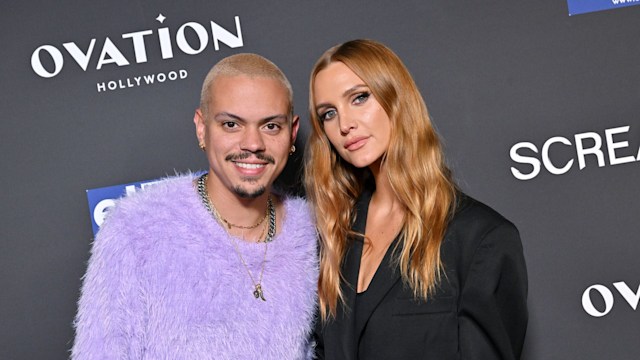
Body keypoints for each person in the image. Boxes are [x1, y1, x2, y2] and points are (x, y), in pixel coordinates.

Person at [71, 53, 318, 359]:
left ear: (292, 133)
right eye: (231, 124)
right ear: (202, 128)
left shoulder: (312, 234)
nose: (253, 143)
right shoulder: (136, 229)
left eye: (270, 126)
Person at [305, 39, 528, 359]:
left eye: (359, 98)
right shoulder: (332, 238)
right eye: (328, 113)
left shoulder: (480, 239)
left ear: (395, 97)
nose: (344, 124)